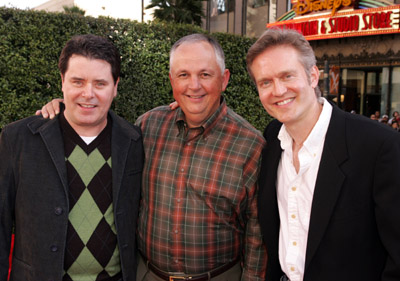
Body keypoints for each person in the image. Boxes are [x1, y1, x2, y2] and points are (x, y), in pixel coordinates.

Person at [36, 33, 267, 281]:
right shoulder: (148, 127)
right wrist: (63, 107)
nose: (194, 86)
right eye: (183, 75)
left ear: (224, 79)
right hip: (147, 274)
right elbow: (95, 122)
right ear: (172, 81)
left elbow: (258, 236)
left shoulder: (250, 145)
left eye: (205, 75)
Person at [246, 28, 400, 281]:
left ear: (313, 75)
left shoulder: (378, 145)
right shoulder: (272, 138)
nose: (278, 90)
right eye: (265, 82)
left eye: (287, 76)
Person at [0, 34, 144, 281]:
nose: (88, 94)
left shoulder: (135, 141)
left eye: (100, 83)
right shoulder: (18, 139)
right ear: (62, 81)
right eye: (78, 82)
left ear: (115, 86)